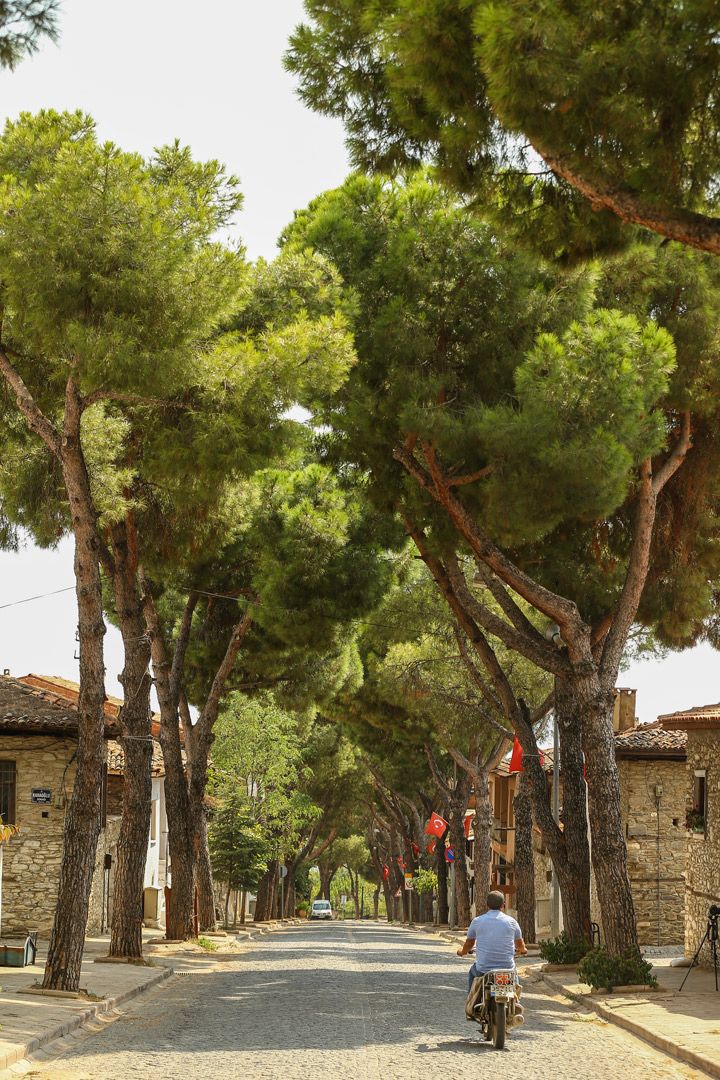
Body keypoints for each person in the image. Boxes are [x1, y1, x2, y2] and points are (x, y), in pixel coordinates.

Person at [457, 890, 527, 993]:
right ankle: (515, 1000)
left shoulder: (477, 921)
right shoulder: (512, 922)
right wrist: (523, 950)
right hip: (507, 969)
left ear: (487, 905)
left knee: (472, 973)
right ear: (503, 905)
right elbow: (520, 944)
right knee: (514, 977)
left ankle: (471, 1002)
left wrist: (462, 952)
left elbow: (469, 944)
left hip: (483, 970)